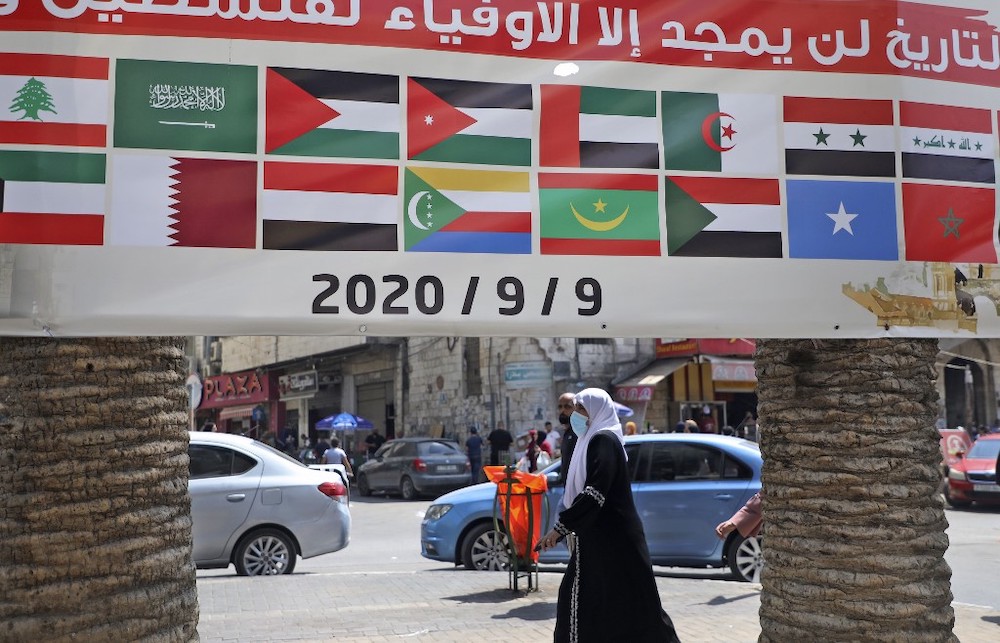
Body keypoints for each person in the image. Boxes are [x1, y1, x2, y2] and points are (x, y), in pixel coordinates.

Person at [536, 388, 680, 642]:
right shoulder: (588, 441)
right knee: (624, 604)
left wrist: (561, 527)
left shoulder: (604, 440)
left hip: (612, 538)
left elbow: (595, 491)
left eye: (581, 409)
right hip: (602, 538)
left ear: (597, 411)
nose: (575, 415)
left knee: (632, 605)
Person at [556, 392, 577, 484]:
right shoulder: (568, 432)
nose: (562, 410)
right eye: (560, 407)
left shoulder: (578, 432)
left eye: (567, 407)